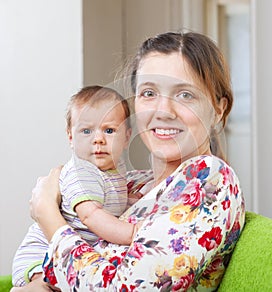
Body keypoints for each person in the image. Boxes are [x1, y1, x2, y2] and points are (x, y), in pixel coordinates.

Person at [13, 31, 245, 291]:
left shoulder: (208, 179)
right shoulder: (131, 184)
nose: (163, 111)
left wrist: (48, 215)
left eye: (185, 95)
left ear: (218, 109)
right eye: (148, 93)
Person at [12, 85, 144, 288]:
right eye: (86, 131)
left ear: (126, 137)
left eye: (109, 130)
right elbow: (90, 215)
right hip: (42, 253)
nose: (98, 139)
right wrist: (131, 232)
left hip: (70, 252)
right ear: (71, 137)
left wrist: (131, 200)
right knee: (47, 286)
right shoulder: (82, 173)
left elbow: (108, 200)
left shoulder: (113, 170)